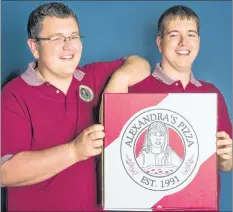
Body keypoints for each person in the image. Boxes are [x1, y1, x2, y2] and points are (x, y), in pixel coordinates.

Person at [1, 2, 150, 212]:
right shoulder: (13, 94)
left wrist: (119, 81)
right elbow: (5, 172)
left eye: (73, 37)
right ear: (34, 47)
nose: (69, 46)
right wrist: (74, 151)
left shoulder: (92, 76)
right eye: (57, 39)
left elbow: (140, 63)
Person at [102, 5, 232, 172]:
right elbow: (112, 152)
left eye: (191, 35)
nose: (183, 42)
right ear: (159, 43)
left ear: (198, 41)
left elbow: (226, 165)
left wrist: (226, 157)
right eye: (174, 35)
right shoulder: (134, 89)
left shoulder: (212, 94)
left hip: (198, 197)